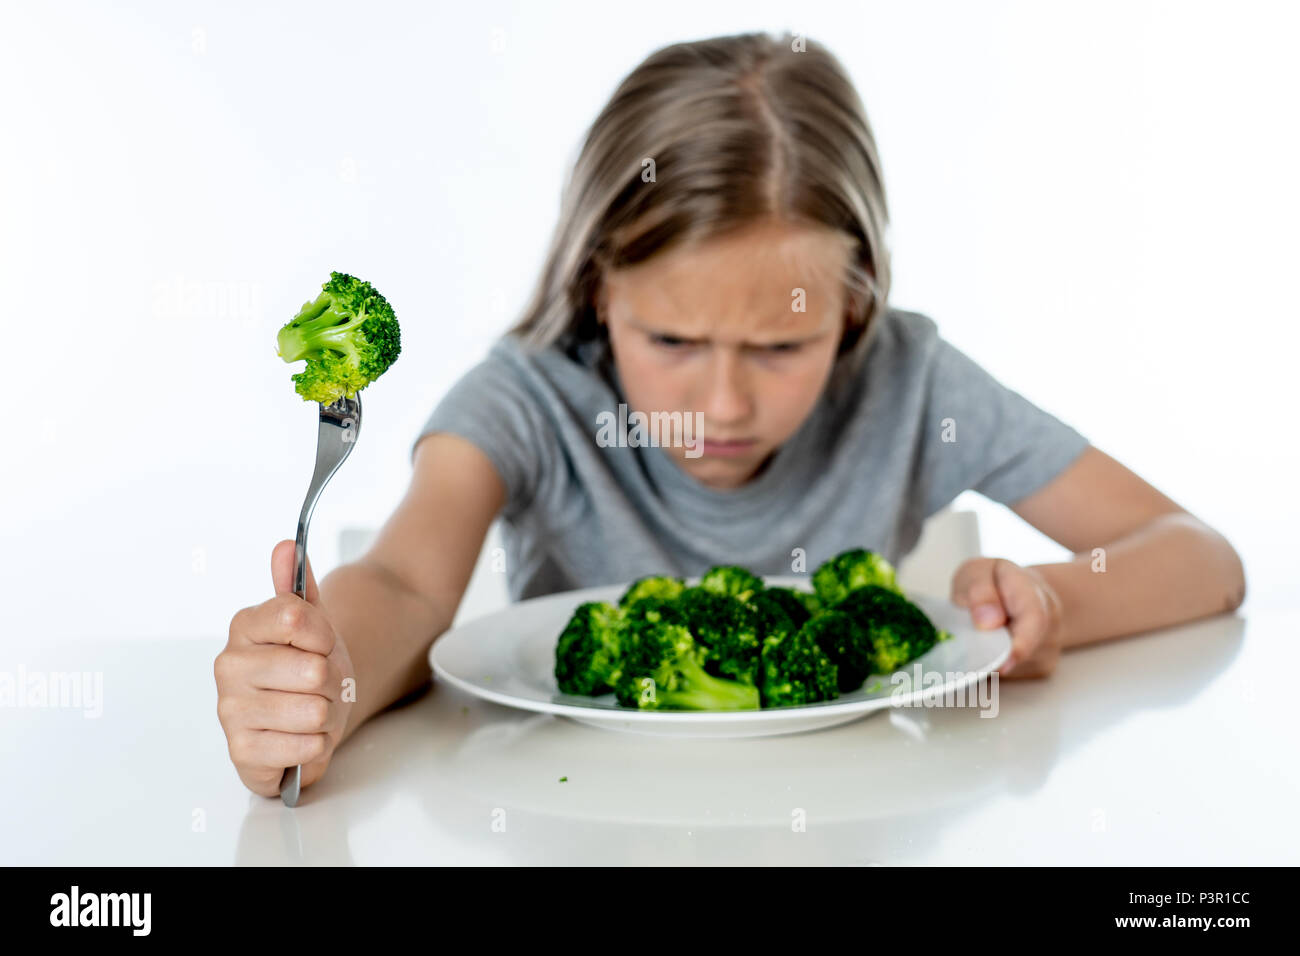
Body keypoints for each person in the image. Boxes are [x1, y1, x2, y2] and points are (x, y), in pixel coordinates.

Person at [215, 32, 1246, 798]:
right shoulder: (529, 397)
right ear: (597, 289)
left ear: (854, 308)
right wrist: (324, 688)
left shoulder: (911, 382)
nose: (722, 403)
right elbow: (401, 578)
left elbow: (1198, 556)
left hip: (856, 812)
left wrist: (1057, 600)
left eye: (780, 346)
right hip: (574, 819)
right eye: (669, 341)